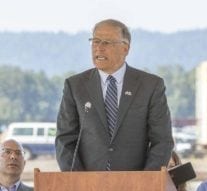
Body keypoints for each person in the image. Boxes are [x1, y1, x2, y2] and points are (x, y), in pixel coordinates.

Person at [55, 19, 174, 171]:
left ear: (125, 48)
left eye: (106, 42)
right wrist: (78, 181)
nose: (99, 48)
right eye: (95, 41)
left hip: (136, 187)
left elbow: (162, 141)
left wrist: (146, 182)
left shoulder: (150, 86)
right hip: (88, 187)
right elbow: (64, 140)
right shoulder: (75, 86)